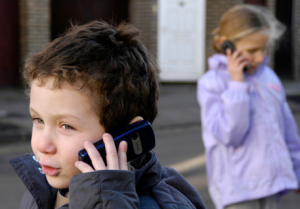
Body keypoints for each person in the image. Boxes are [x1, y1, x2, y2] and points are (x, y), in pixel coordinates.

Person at [10, 20, 207, 209]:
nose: (42, 145)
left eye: (66, 126)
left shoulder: (162, 203)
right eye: (39, 120)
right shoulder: (44, 188)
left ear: (125, 135)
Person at [197, 4, 300, 209]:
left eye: (264, 49)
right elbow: (230, 134)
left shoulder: (268, 77)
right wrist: (237, 85)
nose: (261, 57)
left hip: (272, 184)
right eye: (253, 50)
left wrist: (297, 170)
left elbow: (287, 130)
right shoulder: (211, 84)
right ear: (227, 45)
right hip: (239, 191)